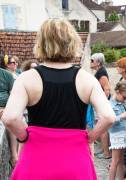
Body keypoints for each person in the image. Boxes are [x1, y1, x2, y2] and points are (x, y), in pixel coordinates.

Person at [1, 18, 115, 179]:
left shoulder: (26, 78)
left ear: (41, 43)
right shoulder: (87, 79)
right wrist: (89, 138)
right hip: (75, 159)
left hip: (36, 159)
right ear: (72, 42)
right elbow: (109, 117)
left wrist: (25, 136)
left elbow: (10, 117)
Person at [109, 82, 126, 180]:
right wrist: (121, 117)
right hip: (116, 134)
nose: (125, 100)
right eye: (124, 97)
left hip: (124, 133)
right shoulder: (110, 105)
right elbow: (109, 120)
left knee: (121, 160)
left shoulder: (122, 103)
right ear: (117, 92)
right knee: (115, 161)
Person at [90, 53, 111, 159]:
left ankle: (106, 153)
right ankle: (104, 150)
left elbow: (107, 89)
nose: (90, 62)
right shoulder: (99, 72)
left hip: (101, 104)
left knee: (102, 128)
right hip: (99, 103)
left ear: (98, 62)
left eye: (92, 60)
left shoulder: (101, 72)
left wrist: (102, 104)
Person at [0, 54, 18, 168]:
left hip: (4, 109)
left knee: (12, 119)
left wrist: (6, 108)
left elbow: (13, 97)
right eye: (13, 63)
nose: (15, 65)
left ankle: (14, 156)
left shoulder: (7, 75)